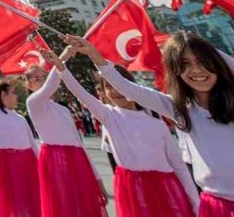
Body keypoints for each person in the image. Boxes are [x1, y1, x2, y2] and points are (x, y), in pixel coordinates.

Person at [67, 33, 234, 217]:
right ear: (176, 72)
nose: (197, 71)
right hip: (216, 208)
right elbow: (128, 88)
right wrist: (94, 55)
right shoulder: (180, 110)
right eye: (185, 64)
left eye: (203, 62)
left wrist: (190, 42)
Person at [46, 46, 198, 217]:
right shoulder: (109, 116)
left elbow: (178, 166)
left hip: (166, 187)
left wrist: (195, 203)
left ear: (129, 86)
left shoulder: (158, 125)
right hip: (132, 189)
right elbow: (80, 93)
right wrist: (61, 66)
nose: (115, 91)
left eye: (118, 85)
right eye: (108, 87)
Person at [24, 60, 107, 216]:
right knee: (64, 206)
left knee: (84, 207)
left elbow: (79, 144)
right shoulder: (33, 103)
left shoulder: (63, 110)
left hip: (77, 160)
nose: (43, 81)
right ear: (29, 85)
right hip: (54, 161)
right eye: (37, 79)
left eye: (44, 77)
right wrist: (62, 58)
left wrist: (97, 178)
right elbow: (50, 86)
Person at [0, 78, 40, 217]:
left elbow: (32, 143)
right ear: (3, 95)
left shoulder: (20, 118)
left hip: (28, 163)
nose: (16, 96)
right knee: (14, 204)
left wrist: (41, 164)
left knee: (30, 202)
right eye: (13, 92)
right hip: (8, 164)